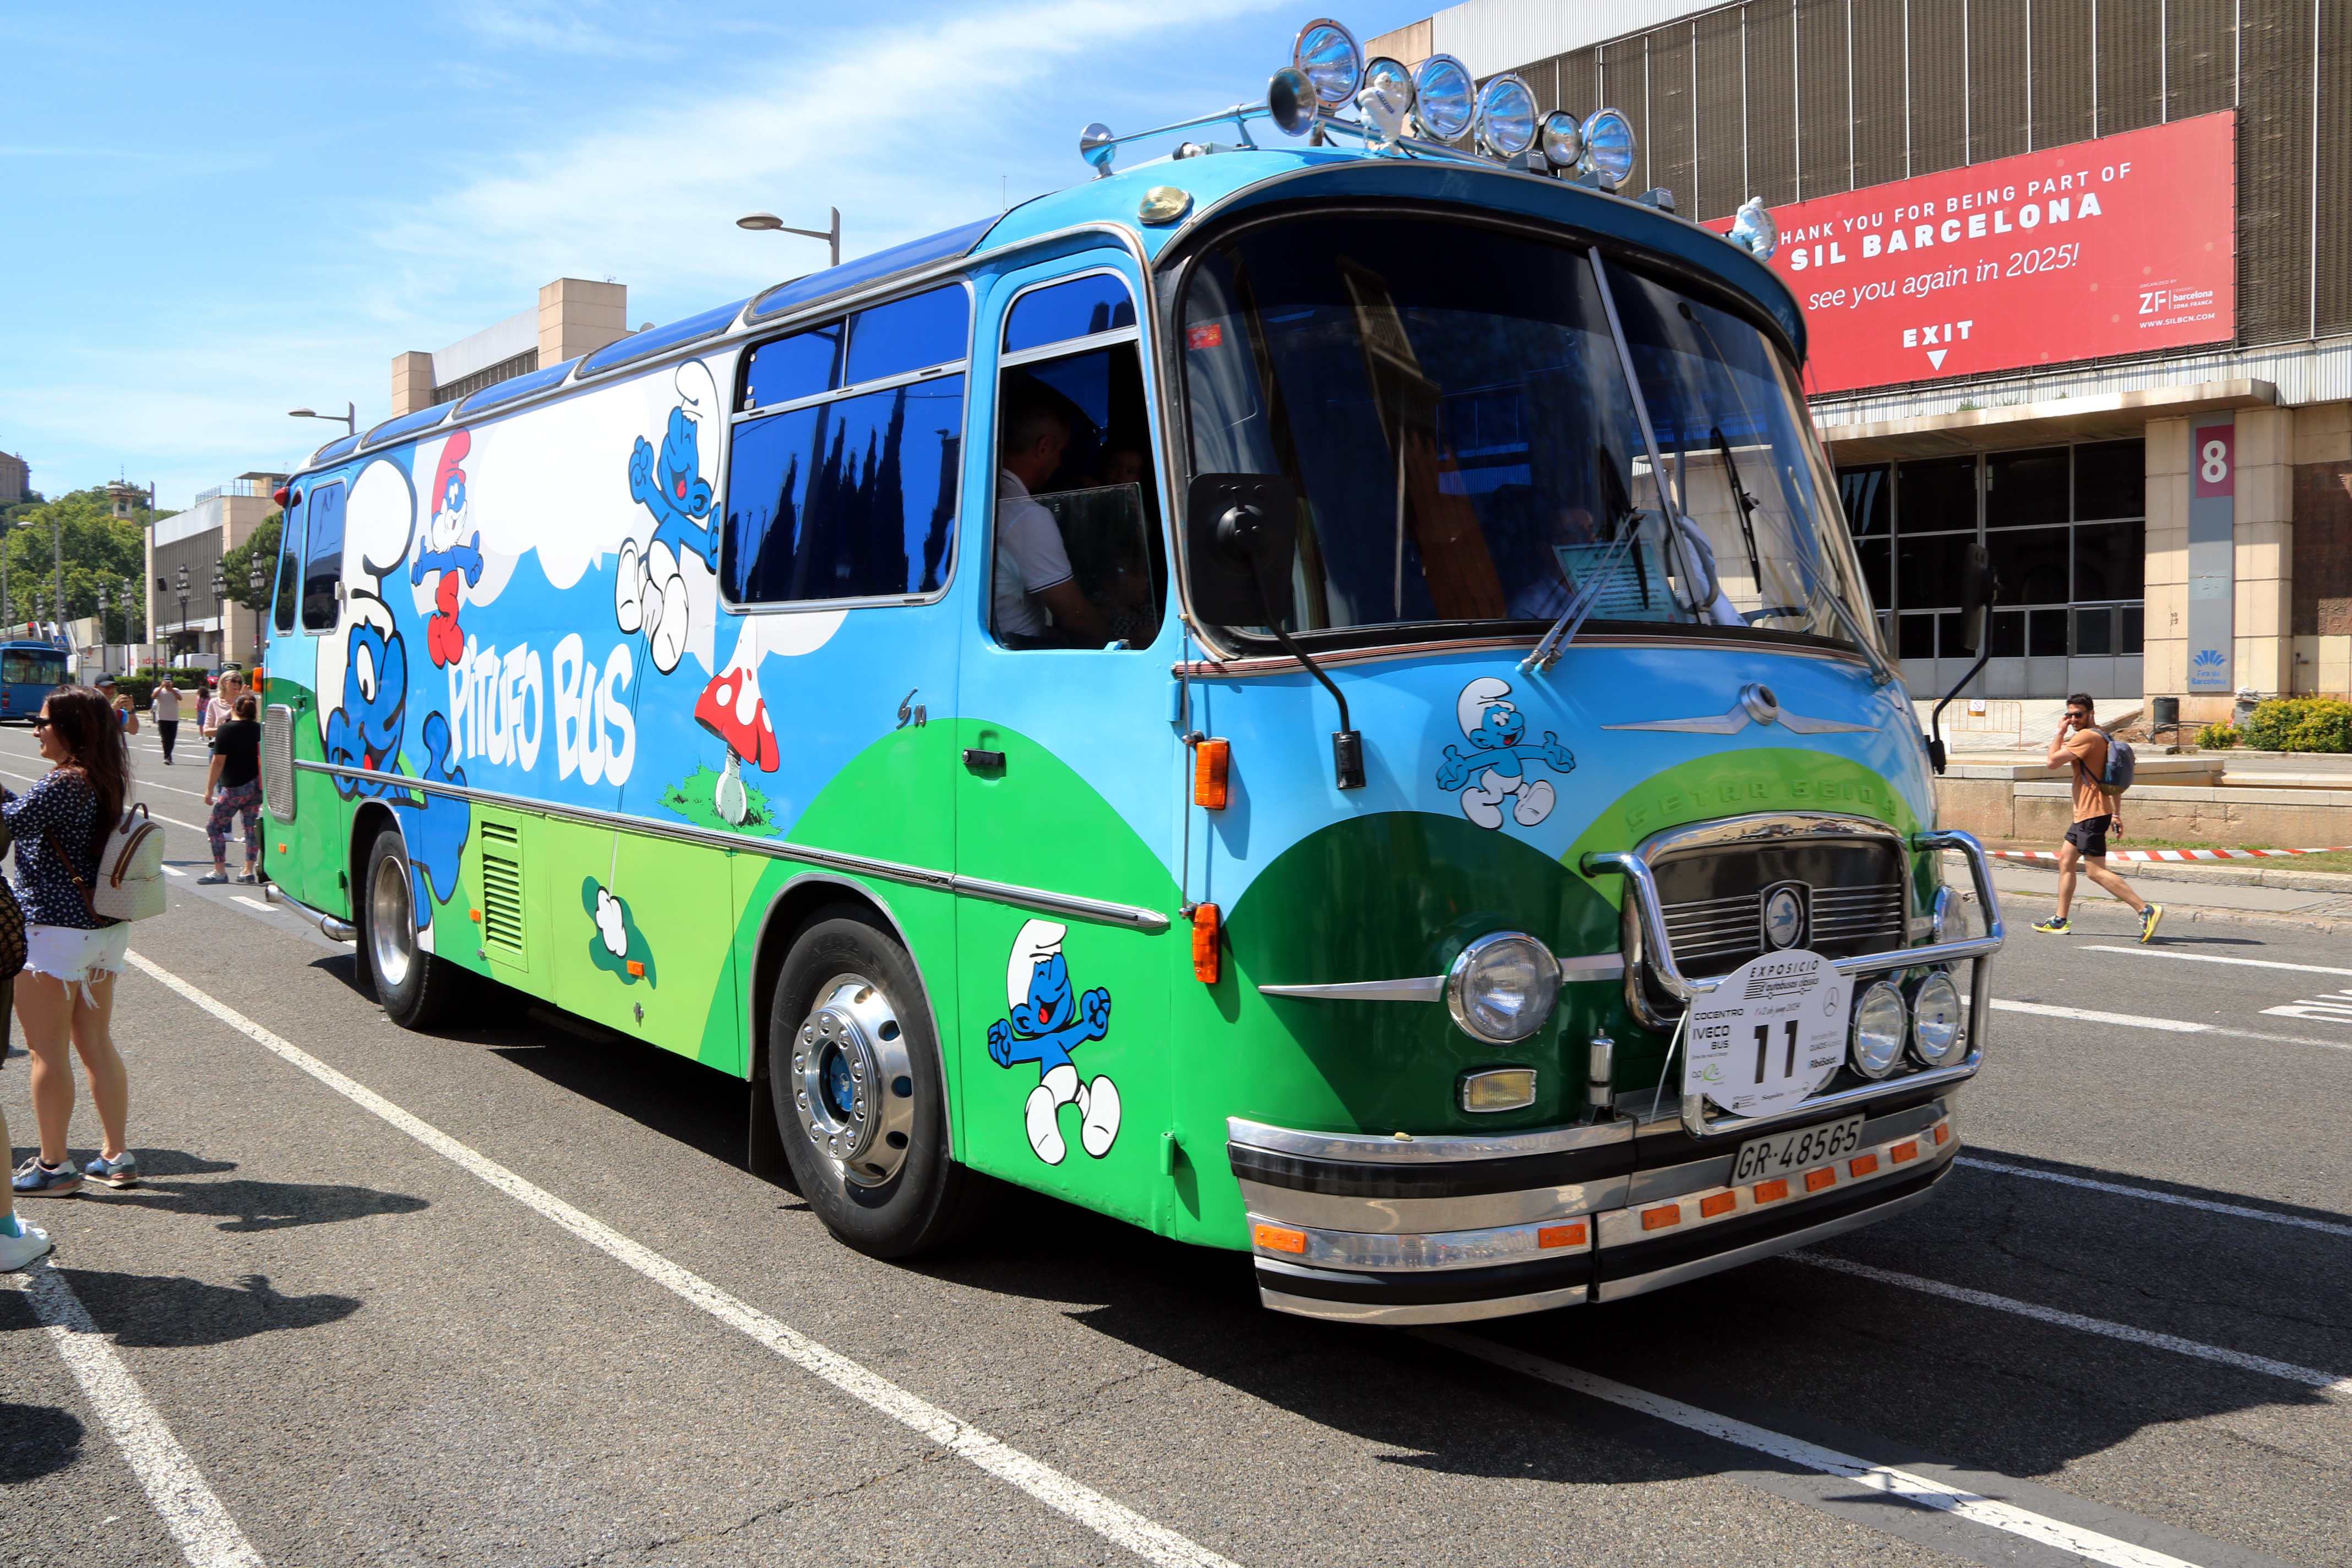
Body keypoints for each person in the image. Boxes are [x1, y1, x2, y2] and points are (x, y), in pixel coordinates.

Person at [7, 687, 135, 1199]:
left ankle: (55, 1165)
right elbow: (35, 818)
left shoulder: (64, 782)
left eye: (42, 722)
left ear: (71, 729)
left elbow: (10, 825)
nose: (35, 730)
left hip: (52, 933)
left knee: (46, 1051)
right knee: (96, 1043)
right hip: (102, 930)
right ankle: (115, 1155)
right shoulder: (102, 778)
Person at [2032, 693, 2163, 941]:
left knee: (2095, 872)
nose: (2073, 719)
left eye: (2078, 714)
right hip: (2090, 812)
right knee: (2066, 862)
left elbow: (2051, 762)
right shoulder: (2103, 735)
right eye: (2069, 715)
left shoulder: (2086, 737)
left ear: (2091, 713)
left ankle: (2145, 909)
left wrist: (2060, 732)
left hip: (2090, 815)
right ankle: (2060, 920)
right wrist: (2116, 813)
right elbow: (2111, 781)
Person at [994, 384, 1108, 649]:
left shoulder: (985, 498)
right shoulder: (1026, 516)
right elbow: (1075, 617)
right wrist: (1115, 641)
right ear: (1044, 447)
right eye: (1060, 452)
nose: (1059, 463)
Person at [201, 694, 263, 885]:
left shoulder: (226, 729)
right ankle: (248, 871)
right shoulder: (259, 729)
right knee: (250, 828)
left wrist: (209, 789)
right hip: (256, 786)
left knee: (214, 826)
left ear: (234, 708)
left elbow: (218, 761)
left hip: (234, 787)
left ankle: (220, 870)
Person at [200, 670, 244, 739]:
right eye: (233, 681)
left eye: (239, 683)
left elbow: (251, 725)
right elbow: (206, 731)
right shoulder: (214, 703)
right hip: (220, 743)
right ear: (223, 683)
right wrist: (225, 729)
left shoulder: (243, 702)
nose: (237, 684)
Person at [94, 674, 141, 738]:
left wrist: (131, 711)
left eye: (112, 687)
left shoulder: (120, 713)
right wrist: (113, 708)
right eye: (106, 687)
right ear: (95, 688)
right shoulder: (88, 707)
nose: (110, 690)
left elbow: (133, 731)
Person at [150, 673, 183, 765]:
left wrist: (171, 690)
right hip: (162, 717)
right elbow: (153, 696)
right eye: (166, 681)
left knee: (172, 738)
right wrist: (161, 687)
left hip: (173, 718)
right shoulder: (159, 690)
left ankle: (169, 755)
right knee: (165, 738)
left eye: (169, 681)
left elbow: (180, 698)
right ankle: (167, 756)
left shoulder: (176, 690)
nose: (167, 683)